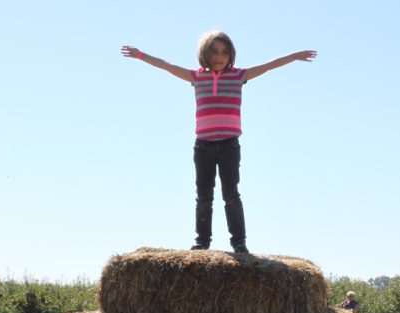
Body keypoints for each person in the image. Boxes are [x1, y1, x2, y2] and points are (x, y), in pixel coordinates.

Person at [121, 31, 316, 253]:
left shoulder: (239, 76)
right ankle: (202, 240)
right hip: (203, 145)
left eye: (224, 52)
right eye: (214, 51)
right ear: (206, 53)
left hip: (229, 146)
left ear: (231, 55)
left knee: (231, 194)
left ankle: (239, 242)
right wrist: (140, 55)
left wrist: (296, 55)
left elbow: (269, 65)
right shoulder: (196, 77)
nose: (219, 56)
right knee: (204, 195)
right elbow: (166, 65)